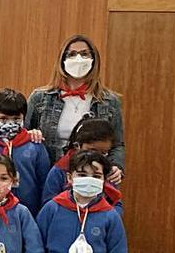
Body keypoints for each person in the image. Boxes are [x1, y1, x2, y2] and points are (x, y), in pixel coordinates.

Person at [36, 151, 128, 253]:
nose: (89, 180)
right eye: (82, 174)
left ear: (104, 181)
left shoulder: (110, 216)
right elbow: (36, 249)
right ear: (70, 178)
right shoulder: (52, 209)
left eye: (96, 176)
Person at [27, 34, 125, 174]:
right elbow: (22, 135)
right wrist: (30, 135)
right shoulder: (40, 98)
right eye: (72, 54)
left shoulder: (109, 101)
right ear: (62, 60)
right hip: (48, 173)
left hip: (91, 174)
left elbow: (117, 144)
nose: (78, 59)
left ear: (94, 59)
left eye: (85, 54)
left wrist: (117, 166)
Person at [41, 118, 123, 212]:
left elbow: (117, 203)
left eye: (104, 153)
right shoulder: (60, 170)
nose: (97, 157)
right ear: (78, 146)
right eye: (92, 150)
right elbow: (47, 204)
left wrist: (108, 217)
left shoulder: (109, 172)